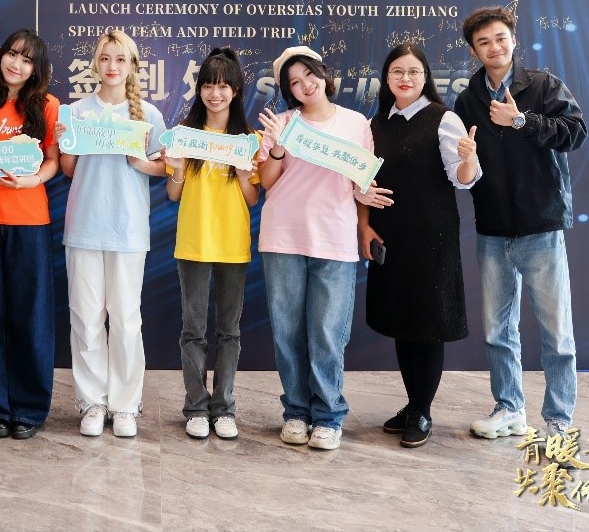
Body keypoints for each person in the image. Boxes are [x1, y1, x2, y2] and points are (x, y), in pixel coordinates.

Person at [454, 6, 587, 441]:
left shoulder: (544, 85)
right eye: (483, 42)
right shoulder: (468, 99)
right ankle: (509, 408)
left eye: (500, 38)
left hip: (540, 225)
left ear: (513, 39)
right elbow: (465, 163)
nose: (494, 47)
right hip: (493, 228)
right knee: (497, 330)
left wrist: (522, 121)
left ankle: (559, 420)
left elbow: (576, 133)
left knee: (556, 332)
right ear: (473, 51)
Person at [357, 44, 480, 448]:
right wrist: (364, 222)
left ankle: (422, 411)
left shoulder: (443, 119)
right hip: (390, 238)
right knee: (403, 324)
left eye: (413, 71)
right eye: (397, 71)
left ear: (426, 77)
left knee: (427, 326)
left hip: (432, 239)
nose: (405, 78)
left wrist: (469, 158)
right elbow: (363, 181)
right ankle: (413, 404)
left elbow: (462, 178)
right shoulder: (376, 124)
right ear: (386, 78)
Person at [256, 46, 373, 451]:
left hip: (335, 238)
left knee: (326, 333)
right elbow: (266, 181)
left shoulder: (356, 123)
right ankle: (295, 412)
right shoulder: (283, 123)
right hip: (283, 236)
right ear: (288, 90)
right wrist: (277, 147)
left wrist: (365, 209)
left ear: (323, 74)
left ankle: (327, 416)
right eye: (294, 82)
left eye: (309, 75)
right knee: (288, 332)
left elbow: (362, 179)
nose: (305, 85)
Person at [56, 30, 166, 439]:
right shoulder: (76, 111)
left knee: (125, 320)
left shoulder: (148, 115)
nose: (112, 66)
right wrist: (66, 143)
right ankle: (92, 401)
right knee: (85, 319)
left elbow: (164, 167)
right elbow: (69, 169)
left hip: (128, 229)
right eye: (105, 59)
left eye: (121, 59)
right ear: (95, 64)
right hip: (84, 226)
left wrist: (139, 161)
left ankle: (125, 405)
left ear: (133, 66)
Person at [0, 29, 60, 441]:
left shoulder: (48, 106)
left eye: (26, 59)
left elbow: (53, 160)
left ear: (36, 69)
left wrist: (32, 180)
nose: (16, 64)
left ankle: (29, 409)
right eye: (12, 54)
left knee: (30, 314)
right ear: (1, 56)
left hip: (30, 220)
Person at [164, 47, 260, 441]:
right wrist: (177, 167)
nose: (214, 94)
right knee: (193, 331)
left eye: (222, 86)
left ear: (236, 91)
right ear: (199, 89)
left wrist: (244, 173)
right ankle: (196, 408)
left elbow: (252, 199)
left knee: (229, 332)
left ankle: (224, 408)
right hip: (193, 242)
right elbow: (173, 194)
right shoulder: (185, 135)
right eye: (207, 85)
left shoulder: (248, 139)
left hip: (233, 244)